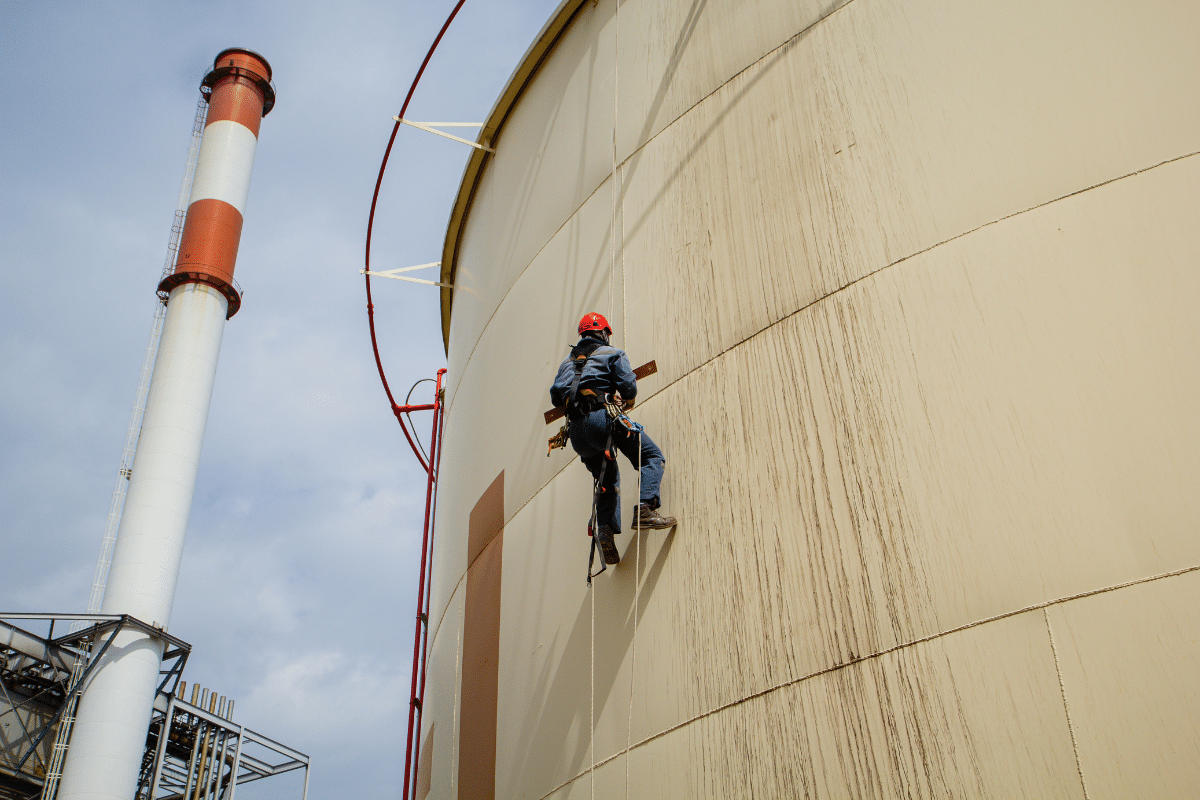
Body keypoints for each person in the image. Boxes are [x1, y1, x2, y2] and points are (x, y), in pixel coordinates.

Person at [549, 312, 677, 565]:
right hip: (601, 420)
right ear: (604, 333)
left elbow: (556, 397)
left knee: (607, 478)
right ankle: (645, 509)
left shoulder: (566, 363)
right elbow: (627, 383)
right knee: (651, 456)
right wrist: (626, 400)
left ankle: (605, 530)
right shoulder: (612, 353)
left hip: (577, 434)